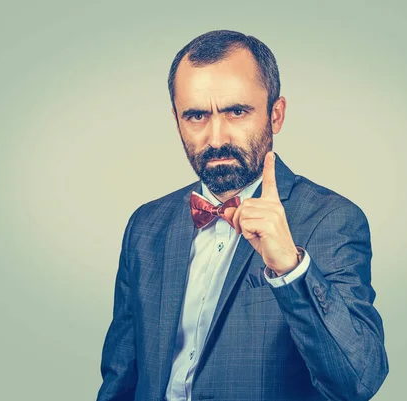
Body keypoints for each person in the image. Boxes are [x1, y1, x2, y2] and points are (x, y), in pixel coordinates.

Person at [97, 29, 389, 401]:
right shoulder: (145, 225)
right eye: (196, 116)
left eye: (237, 111)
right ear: (177, 120)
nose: (216, 137)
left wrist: (291, 268)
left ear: (276, 114)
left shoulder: (332, 220)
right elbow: (120, 378)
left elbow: (357, 382)